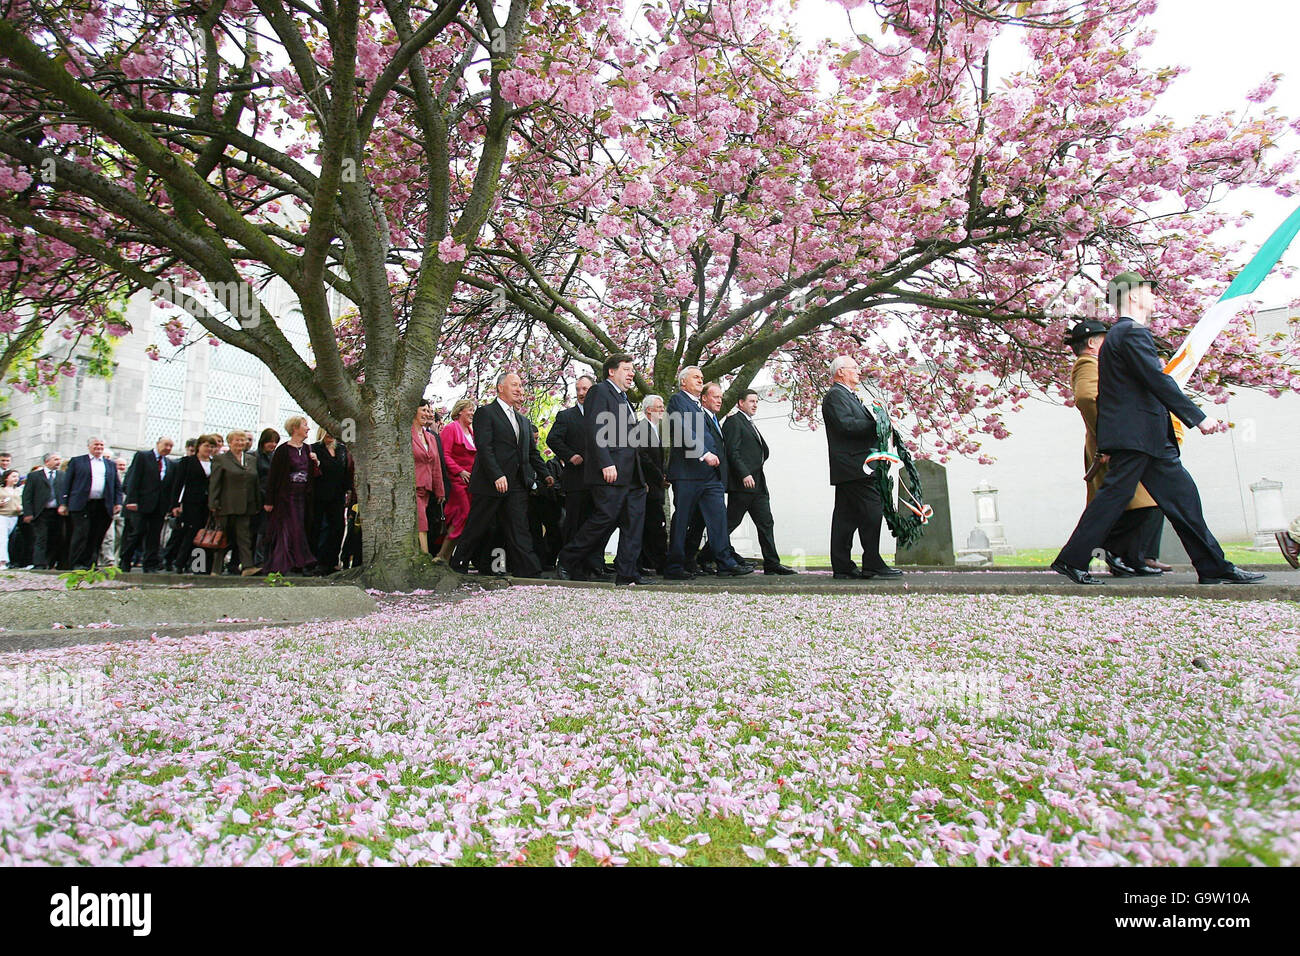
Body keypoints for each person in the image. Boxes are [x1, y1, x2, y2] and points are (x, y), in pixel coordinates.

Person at [1053, 271, 1264, 585]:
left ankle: (1213, 566)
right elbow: (1157, 381)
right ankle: (1072, 560)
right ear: (1134, 295)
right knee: (1115, 499)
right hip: (1138, 437)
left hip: (1144, 438)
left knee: (1183, 500)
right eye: (1148, 292)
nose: (1153, 298)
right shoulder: (1132, 334)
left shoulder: (1117, 337)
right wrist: (1199, 417)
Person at [1066, 318, 1163, 577]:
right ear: (1091, 343)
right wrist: (1108, 438)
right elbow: (1087, 398)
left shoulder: (1100, 365)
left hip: (1118, 443)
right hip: (1110, 446)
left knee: (1139, 503)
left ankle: (1129, 557)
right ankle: (1113, 552)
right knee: (1126, 503)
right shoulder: (1088, 363)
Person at [555, 354, 649, 584]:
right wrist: (606, 462)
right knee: (603, 519)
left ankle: (627, 573)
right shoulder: (599, 392)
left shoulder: (624, 398)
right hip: (610, 471)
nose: (631, 374)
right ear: (611, 371)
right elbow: (595, 429)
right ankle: (567, 559)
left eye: (633, 370)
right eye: (627, 369)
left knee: (633, 523)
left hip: (632, 475)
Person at [450, 373, 545, 578]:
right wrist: (496, 475)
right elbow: (484, 447)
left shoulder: (522, 419)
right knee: (478, 525)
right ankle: (458, 564)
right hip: (489, 482)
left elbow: (530, 453)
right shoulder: (486, 413)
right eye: (514, 385)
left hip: (516, 483)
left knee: (519, 526)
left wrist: (545, 475)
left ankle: (529, 570)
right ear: (501, 388)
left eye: (521, 385)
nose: (519, 389)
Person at [822, 356, 902, 580]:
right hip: (855, 466)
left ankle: (843, 566)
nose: (858, 372)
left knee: (846, 518)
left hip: (852, 466)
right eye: (854, 368)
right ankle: (872, 562)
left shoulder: (848, 396)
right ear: (840, 372)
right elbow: (846, 425)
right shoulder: (835, 396)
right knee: (872, 511)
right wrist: (879, 423)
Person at [664, 373, 751, 579]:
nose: (700, 379)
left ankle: (724, 562)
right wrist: (703, 453)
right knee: (682, 519)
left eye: (702, 377)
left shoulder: (697, 407)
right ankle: (674, 566)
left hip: (709, 477)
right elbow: (683, 430)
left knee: (718, 517)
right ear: (683, 382)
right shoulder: (679, 400)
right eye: (695, 377)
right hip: (687, 473)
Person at [723, 389, 796, 575]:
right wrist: (744, 474)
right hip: (743, 484)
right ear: (740, 403)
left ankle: (772, 563)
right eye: (751, 401)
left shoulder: (749, 422)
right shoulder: (733, 421)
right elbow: (732, 451)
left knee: (766, 522)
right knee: (730, 523)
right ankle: (705, 557)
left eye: (756, 401)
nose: (755, 404)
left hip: (758, 483)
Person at [549, 374, 609, 577]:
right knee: (574, 524)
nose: (582, 393)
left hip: (599, 481)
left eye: (585, 389)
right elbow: (553, 439)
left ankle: (594, 565)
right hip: (577, 480)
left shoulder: (603, 416)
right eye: (579, 389)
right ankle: (569, 565)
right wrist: (570, 455)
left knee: (597, 524)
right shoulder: (566, 416)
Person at [262, 416, 320, 575]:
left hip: (303, 497)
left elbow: (314, 475)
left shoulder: (308, 449)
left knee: (300, 528)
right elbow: (273, 477)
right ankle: (282, 564)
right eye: (305, 425)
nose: (308, 428)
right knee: (286, 529)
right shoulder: (283, 450)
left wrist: (315, 462)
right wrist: (269, 500)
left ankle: (298, 563)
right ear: (295, 429)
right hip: (286, 497)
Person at [58, 436, 123, 569]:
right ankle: (76, 562)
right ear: (89, 446)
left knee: (97, 534)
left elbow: (116, 485)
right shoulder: (77, 461)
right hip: (81, 503)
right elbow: (67, 483)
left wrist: (118, 502)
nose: (99, 448)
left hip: (102, 504)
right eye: (96, 445)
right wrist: (64, 502)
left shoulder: (110, 464)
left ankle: (90, 563)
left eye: (101, 445)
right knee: (81, 533)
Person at [119, 437, 176, 572]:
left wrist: (170, 505)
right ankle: (125, 560)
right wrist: (132, 500)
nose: (168, 448)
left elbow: (170, 487)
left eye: (171, 446)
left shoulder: (170, 464)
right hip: (141, 504)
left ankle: (149, 564)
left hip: (159, 506)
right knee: (137, 532)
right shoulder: (143, 457)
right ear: (158, 444)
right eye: (166, 445)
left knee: (154, 535)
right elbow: (134, 478)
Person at [209, 430, 262, 575]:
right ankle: (216, 568)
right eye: (237, 440)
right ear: (230, 442)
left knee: (244, 537)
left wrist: (257, 502)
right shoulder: (221, 459)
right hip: (226, 505)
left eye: (243, 440)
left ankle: (247, 567)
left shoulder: (251, 459)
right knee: (223, 537)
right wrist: (213, 503)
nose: (240, 443)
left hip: (246, 505)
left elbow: (255, 482)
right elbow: (215, 482)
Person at [169, 434, 221, 574]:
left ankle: (200, 566)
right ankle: (180, 562)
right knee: (191, 531)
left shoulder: (214, 462)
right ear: (199, 446)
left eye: (211, 446)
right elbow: (178, 484)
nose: (209, 449)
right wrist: (175, 504)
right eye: (206, 446)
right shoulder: (187, 462)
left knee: (204, 535)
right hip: (191, 502)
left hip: (208, 503)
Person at [310, 426, 356, 574]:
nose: (330, 436)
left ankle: (332, 560)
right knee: (319, 527)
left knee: (338, 527)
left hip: (338, 494)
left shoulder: (342, 449)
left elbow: (346, 471)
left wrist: (348, 489)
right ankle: (316, 561)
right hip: (319, 494)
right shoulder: (314, 448)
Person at [437, 398, 477, 563]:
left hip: (471, 483)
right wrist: (459, 471)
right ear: (460, 411)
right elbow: (444, 455)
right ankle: (441, 555)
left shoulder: (471, 431)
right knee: (463, 515)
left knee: (466, 518)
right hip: (457, 481)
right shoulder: (450, 428)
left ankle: (447, 557)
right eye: (469, 410)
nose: (472, 413)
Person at [636, 395, 670, 575]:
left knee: (654, 525)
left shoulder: (654, 429)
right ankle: (659, 563)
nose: (662, 409)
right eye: (659, 406)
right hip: (648, 486)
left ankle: (650, 562)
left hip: (654, 485)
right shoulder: (642, 428)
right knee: (654, 526)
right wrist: (659, 477)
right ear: (648, 410)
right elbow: (644, 458)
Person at [412, 400, 447, 556]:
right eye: (424, 410)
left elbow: (436, 465)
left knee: (421, 521)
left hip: (427, 489)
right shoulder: (406, 434)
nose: (428, 413)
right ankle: (425, 556)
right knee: (421, 522)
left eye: (429, 411)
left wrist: (440, 490)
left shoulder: (430, 437)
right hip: (412, 487)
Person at [253, 427, 279, 566]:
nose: (273, 445)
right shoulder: (255, 457)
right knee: (260, 531)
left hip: (271, 498)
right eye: (271, 442)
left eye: (275, 442)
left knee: (267, 531)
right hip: (259, 497)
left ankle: (265, 559)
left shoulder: (274, 457)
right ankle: (259, 560)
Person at [0, 469, 20, 570]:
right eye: (13, 476)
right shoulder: (1, 490)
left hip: (14, 516)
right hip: (2, 515)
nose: (16, 478)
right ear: (6, 477)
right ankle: (2, 561)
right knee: (2, 538)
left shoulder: (18, 490)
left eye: (17, 476)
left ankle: (9, 560)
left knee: (10, 539)